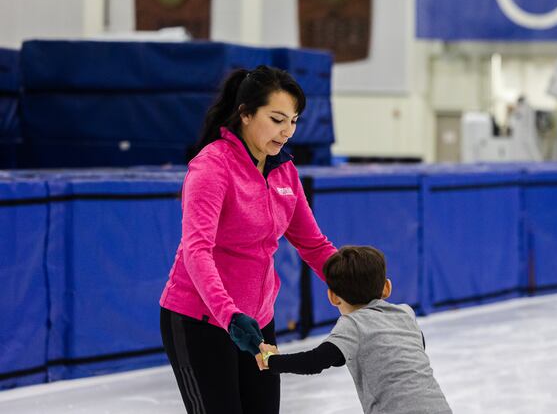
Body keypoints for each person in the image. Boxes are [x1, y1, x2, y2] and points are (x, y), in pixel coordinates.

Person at [159, 65, 337, 414]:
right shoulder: (212, 167)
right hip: (202, 320)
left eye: (294, 121)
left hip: (256, 322)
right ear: (245, 114)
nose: (287, 131)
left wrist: (359, 290)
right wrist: (230, 315)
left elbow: (313, 243)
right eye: (276, 119)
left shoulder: (283, 168)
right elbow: (197, 250)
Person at [260, 246, 452, 414]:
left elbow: (314, 361)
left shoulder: (352, 325)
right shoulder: (405, 312)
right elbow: (413, 348)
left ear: (333, 297)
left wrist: (272, 360)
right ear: (387, 287)